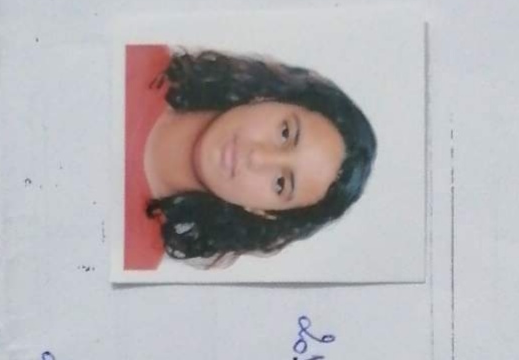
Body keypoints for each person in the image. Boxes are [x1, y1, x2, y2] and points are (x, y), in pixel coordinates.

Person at [123, 45, 377, 270]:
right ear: (269, 98)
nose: (257, 158)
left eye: (280, 183)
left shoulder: (131, 256)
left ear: (262, 212)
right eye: (285, 133)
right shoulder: (137, 58)